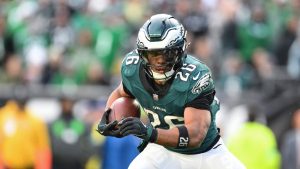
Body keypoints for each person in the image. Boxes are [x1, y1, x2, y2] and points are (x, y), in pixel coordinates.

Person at [97, 14, 245, 169]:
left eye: (166, 53)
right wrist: (109, 116)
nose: (160, 61)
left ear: (179, 51)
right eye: (153, 54)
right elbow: (122, 93)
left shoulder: (195, 75)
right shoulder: (132, 68)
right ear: (142, 54)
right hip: (162, 150)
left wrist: (148, 133)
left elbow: (195, 135)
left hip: (205, 154)